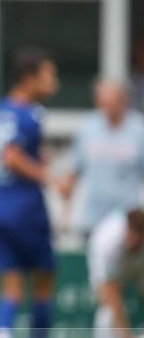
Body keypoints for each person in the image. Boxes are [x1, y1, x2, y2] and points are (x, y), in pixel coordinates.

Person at [0, 48, 60, 338]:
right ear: (30, 79)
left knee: (11, 287)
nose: (54, 82)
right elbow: (11, 156)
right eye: (49, 75)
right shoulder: (30, 115)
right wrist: (48, 176)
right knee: (45, 280)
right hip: (26, 209)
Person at [59, 80, 144, 233]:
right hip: (93, 218)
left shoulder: (139, 130)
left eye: (111, 102)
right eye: (102, 103)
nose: (106, 108)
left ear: (124, 102)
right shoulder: (88, 127)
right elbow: (75, 168)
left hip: (127, 221)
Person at [87, 208, 144, 338]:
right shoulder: (107, 242)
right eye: (129, 235)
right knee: (108, 313)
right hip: (110, 259)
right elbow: (113, 298)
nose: (131, 241)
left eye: (136, 238)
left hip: (139, 262)